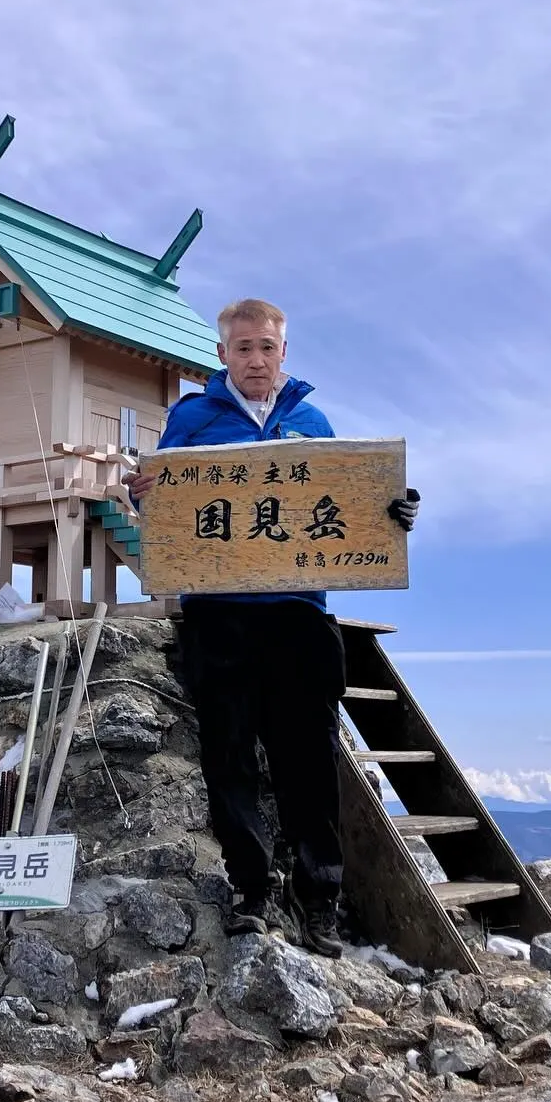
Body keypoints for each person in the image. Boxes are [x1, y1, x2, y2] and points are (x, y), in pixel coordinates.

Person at [125, 298, 419, 958]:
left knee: (308, 763)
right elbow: (163, 504)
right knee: (228, 759)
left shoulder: (312, 422)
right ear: (222, 355)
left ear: (283, 352)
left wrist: (393, 513)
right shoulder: (192, 419)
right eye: (243, 348)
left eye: (267, 347)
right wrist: (142, 493)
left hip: (299, 615)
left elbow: (353, 504)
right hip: (219, 615)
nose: (256, 360)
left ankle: (320, 903)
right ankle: (251, 892)